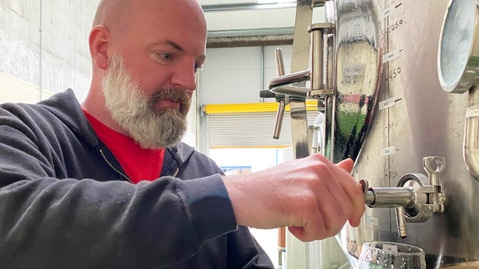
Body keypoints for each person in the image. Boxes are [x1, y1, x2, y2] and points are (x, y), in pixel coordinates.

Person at [0, 0, 365, 268]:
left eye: (196, 64)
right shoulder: (24, 133)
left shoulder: (202, 170)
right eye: (166, 56)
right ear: (103, 49)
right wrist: (230, 196)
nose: (189, 82)